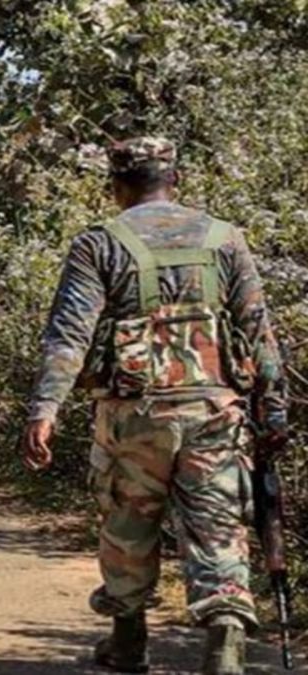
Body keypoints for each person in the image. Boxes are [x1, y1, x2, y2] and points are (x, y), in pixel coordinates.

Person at [19, 138, 288, 675]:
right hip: (215, 412)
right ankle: (224, 646)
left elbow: (69, 336)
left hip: (133, 416)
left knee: (127, 523)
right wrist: (274, 411)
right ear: (175, 179)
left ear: (116, 186)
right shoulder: (225, 238)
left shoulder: (99, 243)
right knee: (217, 524)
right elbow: (259, 331)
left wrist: (44, 409)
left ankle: (128, 642)